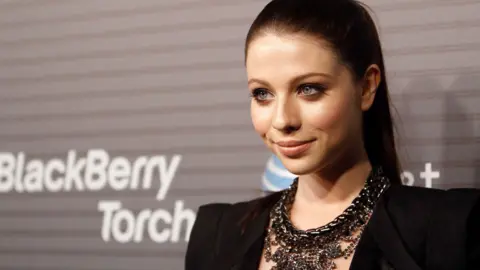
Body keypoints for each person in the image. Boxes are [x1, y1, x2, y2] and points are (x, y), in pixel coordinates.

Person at [185, 0, 480, 269]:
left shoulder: (447, 230)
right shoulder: (217, 237)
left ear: (366, 88)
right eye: (262, 94)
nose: (282, 120)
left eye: (309, 89)